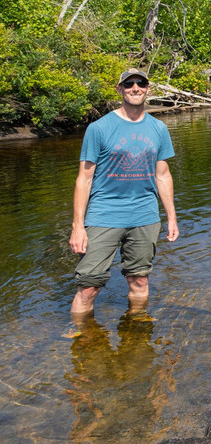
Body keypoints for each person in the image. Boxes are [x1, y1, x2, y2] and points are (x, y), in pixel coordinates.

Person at [69, 68, 179, 320]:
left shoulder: (159, 129)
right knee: (89, 285)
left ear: (148, 88)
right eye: (129, 84)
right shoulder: (99, 128)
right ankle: (81, 335)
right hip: (104, 216)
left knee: (139, 280)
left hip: (145, 215)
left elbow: (163, 175)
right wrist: (78, 226)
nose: (135, 87)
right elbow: (84, 179)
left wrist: (172, 217)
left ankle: (136, 328)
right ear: (120, 89)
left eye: (141, 83)